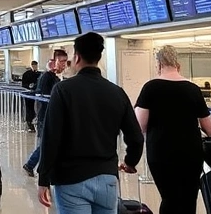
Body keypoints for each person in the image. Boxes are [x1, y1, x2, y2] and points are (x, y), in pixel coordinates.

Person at [37, 33, 144, 214]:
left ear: (77, 57)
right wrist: (130, 161)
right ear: (99, 57)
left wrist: (43, 178)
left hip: (71, 179)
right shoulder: (117, 92)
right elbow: (136, 137)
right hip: (107, 178)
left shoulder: (63, 90)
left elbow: (51, 137)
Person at [136, 46, 211, 214]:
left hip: (160, 153)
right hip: (191, 153)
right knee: (188, 198)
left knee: (169, 197)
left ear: (158, 64)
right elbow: (210, 129)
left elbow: (139, 125)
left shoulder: (150, 88)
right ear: (178, 64)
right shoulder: (193, 89)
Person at [23, 51, 67, 176]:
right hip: (46, 115)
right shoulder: (48, 77)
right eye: (61, 62)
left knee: (47, 143)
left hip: (49, 115)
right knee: (46, 144)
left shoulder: (50, 77)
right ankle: (32, 165)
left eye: (65, 62)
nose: (64, 65)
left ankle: (34, 166)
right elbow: (48, 93)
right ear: (53, 63)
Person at [21, 61, 42, 132]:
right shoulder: (26, 74)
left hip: (36, 94)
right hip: (28, 94)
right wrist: (29, 86)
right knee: (29, 108)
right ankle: (29, 122)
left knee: (36, 108)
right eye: (34, 65)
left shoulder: (39, 74)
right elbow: (23, 84)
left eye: (36, 65)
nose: (35, 66)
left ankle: (33, 121)